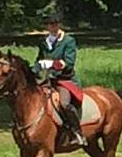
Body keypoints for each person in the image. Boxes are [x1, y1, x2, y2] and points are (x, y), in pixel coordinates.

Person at [34, 12, 85, 147]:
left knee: (64, 103)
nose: (53, 27)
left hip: (64, 80)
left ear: (59, 25)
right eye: (50, 25)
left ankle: (77, 133)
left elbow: (69, 63)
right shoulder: (44, 43)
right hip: (48, 80)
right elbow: (39, 61)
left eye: (55, 24)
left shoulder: (68, 41)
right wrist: (34, 70)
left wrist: (52, 64)